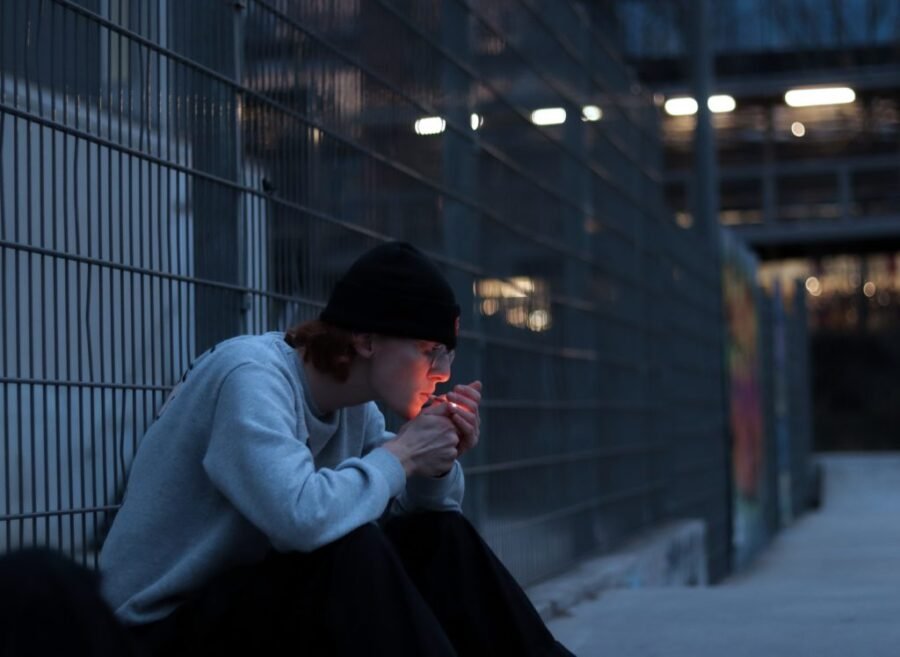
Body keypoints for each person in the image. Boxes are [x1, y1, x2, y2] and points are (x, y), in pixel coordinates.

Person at [99, 241, 574, 656]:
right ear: (366, 340)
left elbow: (420, 508)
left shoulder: (355, 406)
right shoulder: (250, 376)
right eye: (431, 351)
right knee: (348, 547)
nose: (443, 372)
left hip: (246, 607)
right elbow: (301, 519)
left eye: (447, 355)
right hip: (158, 630)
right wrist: (405, 453)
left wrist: (435, 465)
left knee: (438, 534)